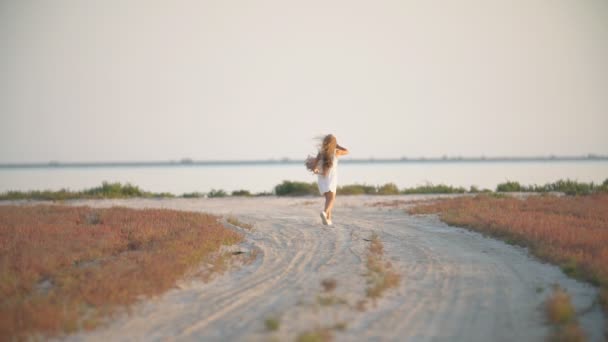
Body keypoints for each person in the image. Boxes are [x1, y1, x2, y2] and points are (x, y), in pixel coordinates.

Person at [305, 134, 349, 225]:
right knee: (332, 198)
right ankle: (325, 213)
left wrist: (315, 170)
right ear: (334, 144)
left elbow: (314, 167)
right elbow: (347, 151)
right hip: (331, 178)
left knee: (328, 198)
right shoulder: (336, 152)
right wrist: (337, 145)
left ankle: (328, 219)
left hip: (322, 178)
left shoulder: (321, 153)